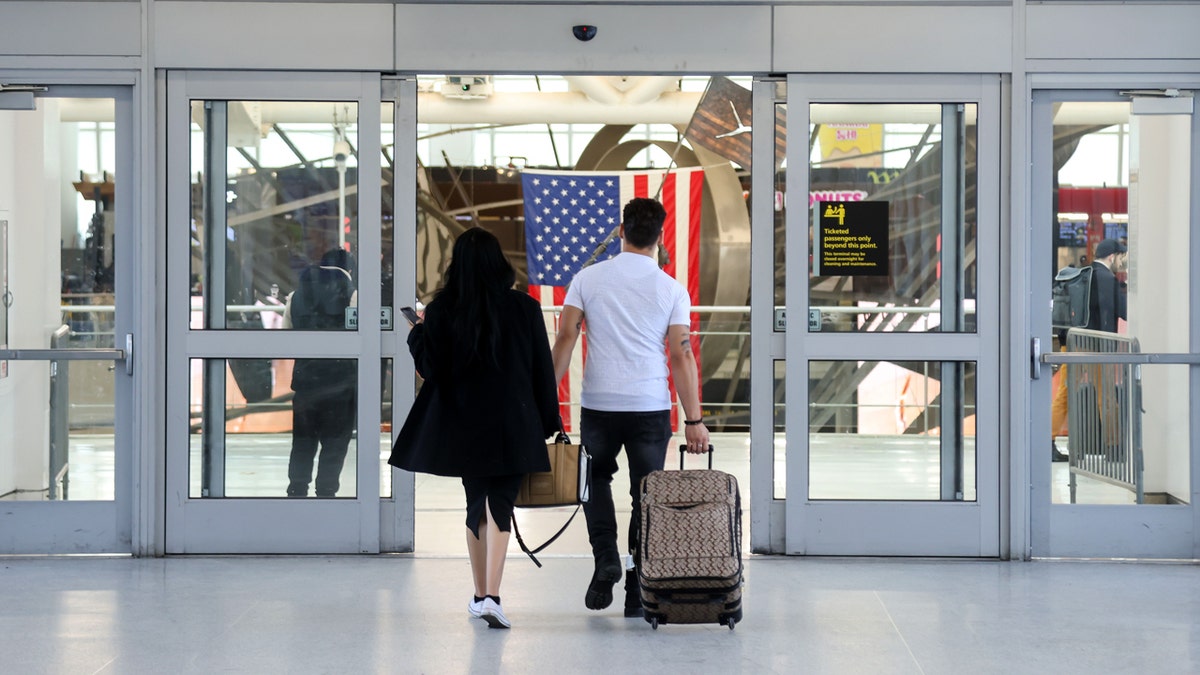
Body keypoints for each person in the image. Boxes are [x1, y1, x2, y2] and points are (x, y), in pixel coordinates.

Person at [389, 227, 559, 630]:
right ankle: (491, 596)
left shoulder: (443, 310)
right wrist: (548, 422)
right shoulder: (525, 307)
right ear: (498, 263)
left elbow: (430, 370)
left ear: (458, 265)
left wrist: (417, 334)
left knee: (476, 502)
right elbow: (542, 370)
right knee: (500, 503)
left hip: (464, 422)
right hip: (514, 421)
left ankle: (482, 594)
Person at [551, 197, 710, 619]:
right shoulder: (672, 289)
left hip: (599, 403)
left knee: (594, 480)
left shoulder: (587, 279)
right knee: (647, 493)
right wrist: (694, 420)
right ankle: (638, 586)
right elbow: (681, 354)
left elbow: (566, 337)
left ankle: (606, 557)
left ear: (621, 231)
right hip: (649, 406)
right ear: (660, 236)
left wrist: (544, 401)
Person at [283, 248, 358, 497]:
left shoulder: (295, 296)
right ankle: (326, 490)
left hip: (305, 383)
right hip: (341, 384)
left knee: (302, 440)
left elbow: (286, 334)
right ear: (349, 269)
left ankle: (297, 487)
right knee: (335, 442)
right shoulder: (353, 295)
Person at [1050, 238, 1127, 461]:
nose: (1122, 263)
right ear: (1112, 256)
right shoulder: (1107, 279)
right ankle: (1114, 449)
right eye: (1122, 258)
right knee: (1106, 396)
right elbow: (1125, 311)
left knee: (1064, 395)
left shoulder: (1083, 275)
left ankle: (1047, 441)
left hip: (1072, 345)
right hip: (1096, 347)